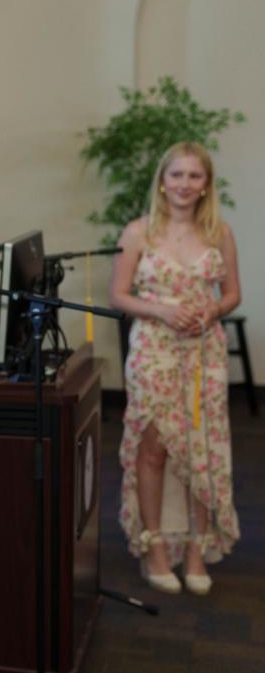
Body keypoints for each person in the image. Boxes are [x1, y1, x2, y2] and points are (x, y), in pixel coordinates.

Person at [110, 141, 241, 596]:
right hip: (154, 352)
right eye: (177, 175)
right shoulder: (137, 232)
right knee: (155, 448)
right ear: (163, 182)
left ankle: (196, 549)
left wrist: (213, 310)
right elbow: (118, 295)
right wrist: (161, 311)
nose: (185, 184)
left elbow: (233, 294)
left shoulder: (219, 232)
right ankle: (155, 548)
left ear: (206, 184)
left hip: (204, 352)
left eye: (194, 176)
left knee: (201, 448)